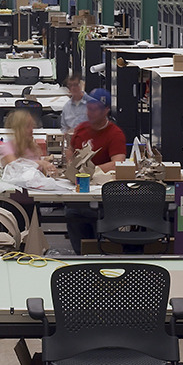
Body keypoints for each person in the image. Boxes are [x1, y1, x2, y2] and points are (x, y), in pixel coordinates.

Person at [64, 88, 130, 252]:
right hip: (79, 190)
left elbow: (118, 162)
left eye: (95, 109)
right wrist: (71, 162)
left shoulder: (115, 134)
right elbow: (70, 149)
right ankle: (81, 254)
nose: (90, 112)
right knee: (72, 212)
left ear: (106, 110)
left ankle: (103, 253)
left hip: (103, 194)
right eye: (88, 108)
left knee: (100, 220)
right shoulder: (81, 129)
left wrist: (89, 170)